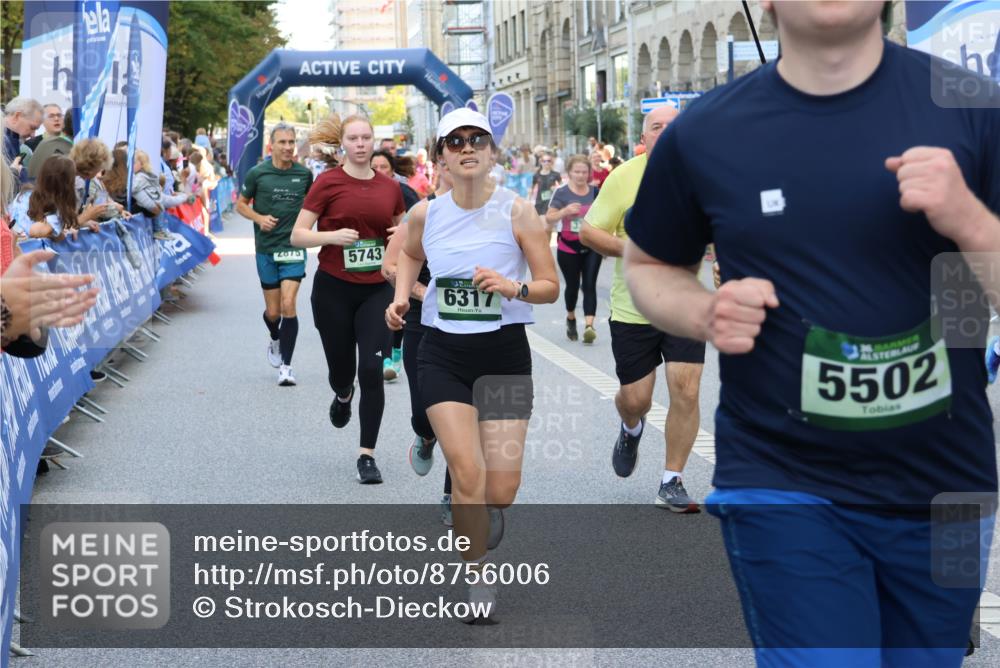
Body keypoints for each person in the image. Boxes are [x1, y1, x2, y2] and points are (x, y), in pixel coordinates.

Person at [622, 1, 1000, 665]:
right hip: (783, 480)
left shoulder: (973, 108)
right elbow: (651, 265)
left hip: (946, 489)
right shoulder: (709, 129)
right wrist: (704, 312)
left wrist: (970, 220)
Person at [386, 108, 558, 619]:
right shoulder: (425, 213)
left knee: (500, 489)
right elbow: (410, 256)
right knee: (467, 471)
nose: (467, 147)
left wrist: (514, 287)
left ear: (491, 152)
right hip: (443, 353)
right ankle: (478, 577)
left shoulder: (517, 212)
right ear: (440, 156)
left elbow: (549, 286)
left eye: (477, 139)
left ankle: (483, 512)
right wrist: (401, 299)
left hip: (504, 354)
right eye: (455, 141)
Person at [580, 105, 704, 512]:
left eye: (673, 127)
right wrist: (632, 249)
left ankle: (672, 479)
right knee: (637, 398)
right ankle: (631, 427)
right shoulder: (623, 177)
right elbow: (589, 231)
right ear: (644, 137)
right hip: (634, 307)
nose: (665, 133)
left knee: (686, 388)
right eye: (657, 127)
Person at [291, 114, 404, 484]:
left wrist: (402, 233)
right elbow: (297, 235)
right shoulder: (327, 183)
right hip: (334, 290)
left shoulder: (390, 188)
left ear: (374, 142)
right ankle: (342, 395)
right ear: (343, 144)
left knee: (371, 370)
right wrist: (331, 236)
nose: (360, 143)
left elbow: (404, 235)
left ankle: (367, 456)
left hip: (376, 289)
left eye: (366, 137)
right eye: (353, 138)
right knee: (342, 372)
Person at [382, 142, 456, 525]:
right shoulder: (422, 213)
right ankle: (424, 436)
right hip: (422, 322)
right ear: (439, 167)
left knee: (462, 416)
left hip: (468, 329)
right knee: (426, 413)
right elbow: (389, 264)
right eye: (448, 162)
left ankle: (453, 494)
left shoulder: (491, 214)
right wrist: (420, 293)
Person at [236, 122, 313, 386]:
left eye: (291, 142)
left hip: (293, 247)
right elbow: (240, 205)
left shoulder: (304, 175)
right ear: (272, 146)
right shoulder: (257, 174)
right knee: (273, 312)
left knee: (289, 304)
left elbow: (313, 207)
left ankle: (286, 367)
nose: (288, 147)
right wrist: (258, 218)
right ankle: (275, 336)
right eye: (283, 142)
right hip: (267, 250)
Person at [371, 148, 419, 381]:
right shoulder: (361, 191)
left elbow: (417, 222)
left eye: (384, 168)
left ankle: (393, 354)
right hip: (369, 262)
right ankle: (380, 357)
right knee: (375, 312)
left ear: (392, 172)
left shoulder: (404, 192)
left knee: (397, 306)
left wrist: (401, 232)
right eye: (375, 168)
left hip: (399, 260)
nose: (379, 172)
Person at [545, 154, 601, 343]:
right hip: (568, 247)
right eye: (576, 172)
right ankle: (571, 317)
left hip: (592, 246)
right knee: (573, 286)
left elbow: (604, 218)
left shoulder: (595, 192)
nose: (580, 175)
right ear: (569, 173)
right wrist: (564, 212)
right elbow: (549, 218)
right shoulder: (561, 193)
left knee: (589, 285)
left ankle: (589, 326)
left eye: (584, 172)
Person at [28, 156, 99, 241]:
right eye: (73, 178)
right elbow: (34, 231)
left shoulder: (58, 203)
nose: (77, 182)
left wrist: (82, 224)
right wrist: (83, 218)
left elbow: (59, 224)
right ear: (64, 183)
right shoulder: (28, 198)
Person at [131, 149, 193, 240]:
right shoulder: (147, 176)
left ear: (142, 164)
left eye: (134, 162)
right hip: (151, 208)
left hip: (149, 208)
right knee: (160, 202)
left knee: (159, 202)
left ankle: (159, 229)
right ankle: (160, 229)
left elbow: (133, 189)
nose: (130, 164)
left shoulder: (140, 177)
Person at [3, 97, 43, 182]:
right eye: (32, 127)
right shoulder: (4, 143)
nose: (33, 135)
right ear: (16, 116)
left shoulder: (11, 141)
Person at [530, 152, 561, 217]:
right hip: (539, 201)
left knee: (549, 220)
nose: (546, 163)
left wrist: (555, 188)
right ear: (541, 162)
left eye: (548, 161)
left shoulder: (556, 174)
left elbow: (562, 188)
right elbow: (531, 188)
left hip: (551, 201)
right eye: (544, 161)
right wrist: (529, 199)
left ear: (551, 162)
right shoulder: (537, 175)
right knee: (540, 221)